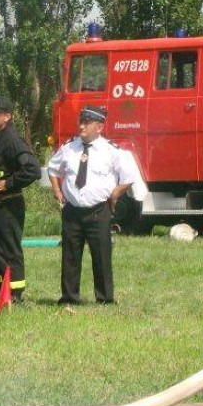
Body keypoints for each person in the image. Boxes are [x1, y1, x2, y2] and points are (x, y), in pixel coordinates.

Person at [47, 105, 136, 305]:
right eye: (81, 121)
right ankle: (69, 297)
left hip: (98, 211)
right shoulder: (69, 147)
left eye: (86, 123)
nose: (81, 126)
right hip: (72, 211)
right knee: (70, 255)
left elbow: (129, 177)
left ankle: (105, 298)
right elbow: (53, 169)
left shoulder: (111, 150)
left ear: (99, 127)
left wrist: (116, 194)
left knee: (101, 255)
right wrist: (57, 190)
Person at [0, 95, 42, 301]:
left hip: (9, 205)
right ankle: (2, 293)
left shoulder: (12, 140)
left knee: (9, 250)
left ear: (7, 116)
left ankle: (15, 295)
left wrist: (8, 183)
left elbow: (32, 170)